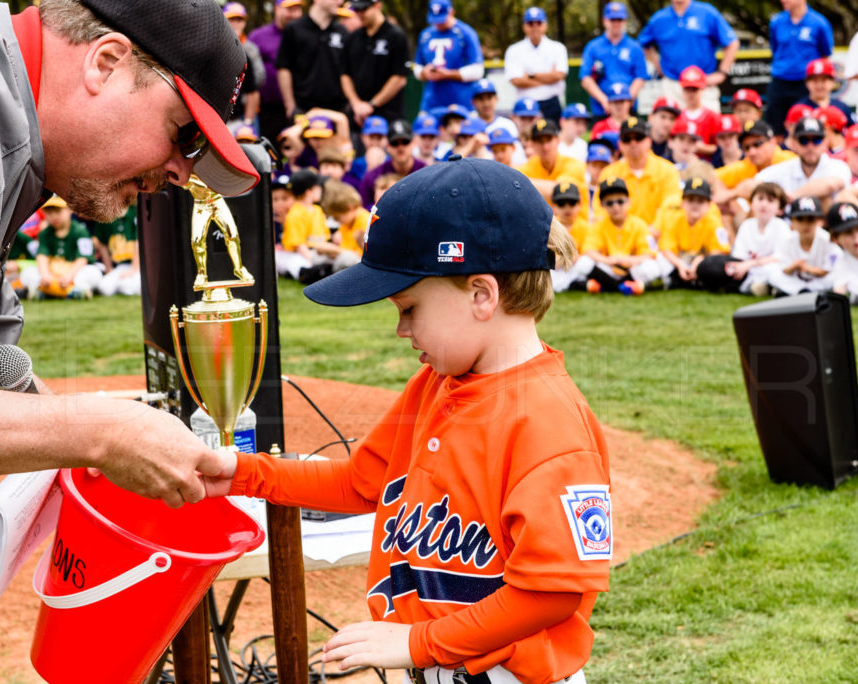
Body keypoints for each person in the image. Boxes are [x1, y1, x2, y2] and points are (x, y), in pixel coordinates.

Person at [0, 0, 259, 502]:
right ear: (105, 63)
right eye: (182, 134)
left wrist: (93, 445)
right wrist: (100, 433)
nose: (180, 173)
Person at [207, 158, 610, 684]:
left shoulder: (548, 421)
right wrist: (237, 471)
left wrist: (418, 642)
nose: (401, 329)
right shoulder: (436, 385)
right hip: (442, 666)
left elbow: (552, 594)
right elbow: (360, 483)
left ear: (481, 295)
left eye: (409, 308)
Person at [638, 0, 739, 112]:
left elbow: (732, 43)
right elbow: (643, 44)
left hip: (703, 85)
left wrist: (722, 72)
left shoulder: (706, 12)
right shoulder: (659, 18)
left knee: (708, 125)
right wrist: (658, 65)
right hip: (673, 84)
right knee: (672, 127)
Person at [701, 182, 791, 295]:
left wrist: (750, 264)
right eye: (760, 199)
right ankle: (759, 286)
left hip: (768, 267)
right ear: (752, 204)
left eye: (770, 201)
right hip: (747, 269)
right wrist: (740, 266)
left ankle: (766, 286)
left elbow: (780, 257)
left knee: (776, 271)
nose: (764, 204)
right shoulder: (747, 225)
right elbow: (739, 256)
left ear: (780, 209)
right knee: (715, 266)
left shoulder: (781, 226)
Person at [764, 0, 833, 138]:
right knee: (775, 128)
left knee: (806, 127)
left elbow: (825, 54)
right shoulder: (776, 22)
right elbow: (775, 48)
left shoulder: (819, 22)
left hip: (805, 84)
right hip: (780, 81)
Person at [598, 117, 683, 229]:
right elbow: (600, 210)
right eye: (627, 139)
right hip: (617, 238)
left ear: (649, 141)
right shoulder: (608, 173)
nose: (633, 143)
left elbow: (672, 207)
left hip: (657, 238)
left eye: (638, 138)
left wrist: (651, 232)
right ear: (620, 145)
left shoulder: (667, 170)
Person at [582, 178, 659, 293]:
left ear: (628, 202)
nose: (615, 206)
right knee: (584, 262)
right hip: (608, 268)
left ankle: (608, 286)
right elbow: (588, 251)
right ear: (602, 205)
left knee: (652, 267)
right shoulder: (598, 225)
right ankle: (627, 286)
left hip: (631, 269)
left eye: (620, 201)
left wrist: (631, 260)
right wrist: (608, 260)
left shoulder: (639, 224)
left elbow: (649, 254)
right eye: (609, 203)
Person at [340, 0, 410, 127]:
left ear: (378, 5)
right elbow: (345, 75)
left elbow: (399, 78)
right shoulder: (352, 38)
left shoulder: (396, 36)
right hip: (357, 115)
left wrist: (372, 104)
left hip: (388, 114)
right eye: (357, 10)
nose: (360, 14)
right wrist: (356, 104)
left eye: (364, 9)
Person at [754, 117, 851, 206]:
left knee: (826, 198)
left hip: (828, 223)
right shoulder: (786, 167)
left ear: (825, 142)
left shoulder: (838, 166)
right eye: (803, 140)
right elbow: (753, 184)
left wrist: (790, 197)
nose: (810, 146)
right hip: (791, 223)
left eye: (816, 140)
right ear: (793, 144)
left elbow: (830, 185)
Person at [653, 177, 730, 288]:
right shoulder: (674, 219)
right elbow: (666, 249)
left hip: (702, 265)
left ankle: (686, 281)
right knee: (660, 259)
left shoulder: (713, 222)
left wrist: (699, 260)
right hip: (679, 263)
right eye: (691, 200)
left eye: (700, 201)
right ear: (682, 203)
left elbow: (720, 251)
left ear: (708, 205)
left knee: (716, 265)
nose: (695, 205)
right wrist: (680, 265)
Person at [277, 0, 348, 118]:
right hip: (303, 109)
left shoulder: (342, 31)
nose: (340, 1)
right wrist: (290, 105)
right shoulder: (294, 29)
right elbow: (284, 68)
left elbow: (347, 72)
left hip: (337, 110)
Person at [579, 2, 648, 118]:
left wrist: (625, 102)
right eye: (612, 20)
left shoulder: (634, 47)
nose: (616, 23)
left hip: (628, 108)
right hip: (601, 108)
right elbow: (586, 78)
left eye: (619, 20)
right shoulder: (593, 47)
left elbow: (640, 77)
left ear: (625, 21)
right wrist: (604, 100)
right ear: (605, 21)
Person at [248, 0, 304, 143]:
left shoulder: (305, 35)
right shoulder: (258, 37)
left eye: (297, 9)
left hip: (301, 107)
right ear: (277, 9)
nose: (294, 14)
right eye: (289, 9)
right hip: (268, 110)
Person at [413, 0, 484, 112]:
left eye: (441, 19)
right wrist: (424, 72)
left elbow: (478, 70)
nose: (438, 23)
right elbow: (417, 66)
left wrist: (448, 74)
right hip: (431, 103)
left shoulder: (465, 33)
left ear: (451, 12)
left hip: (461, 104)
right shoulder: (425, 35)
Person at [504, 6, 569, 123]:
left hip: (551, 104)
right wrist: (549, 78)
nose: (535, 27)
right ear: (524, 26)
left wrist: (530, 75)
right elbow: (516, 81)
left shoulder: (557, 48)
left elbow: (559, 75)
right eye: (530, 23)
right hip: (524, 105)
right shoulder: (513, 50)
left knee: (552, 138)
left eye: (538, 23)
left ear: (545, 25)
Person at [767, 196, 840, 295]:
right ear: (792, 221)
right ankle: (800, 291)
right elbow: (782, 268)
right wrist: (793, 266)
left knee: (834, 278)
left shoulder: (827, 240)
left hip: (819, 280)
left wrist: (808, 269)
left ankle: (795, 292)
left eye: (810, 219)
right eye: (800, 219)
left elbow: (830, 269)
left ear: (820, 221)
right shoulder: (787, 239)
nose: (805, 224)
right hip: (795, 279)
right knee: (772, 273)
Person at [519, 119, 590, 219]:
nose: (545, 147)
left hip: (576, 229)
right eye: (540, 141)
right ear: (532, 144)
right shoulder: (528, 167)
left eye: (549, 140)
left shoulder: (575, 165)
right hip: (543, 229)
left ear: (558, 140)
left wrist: (523, 183)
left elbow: (561, 191)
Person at [360, 119, 427, 208]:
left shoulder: (426, 172)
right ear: (387, 146)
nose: (400, 147)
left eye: (405, 141)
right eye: (394, 143)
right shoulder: (373, 176)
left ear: (413, 143)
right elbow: (363, 209)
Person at [223, 2, 262, 134]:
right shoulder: (213, 47)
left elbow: (256, 83)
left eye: (239, 19)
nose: (236, 23)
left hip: (241, 112)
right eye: (232, 19)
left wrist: (248, 121)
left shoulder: (250, 50)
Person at [549, 182, 593, 292]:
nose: (567, 208)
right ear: (553, 206)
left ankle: (570, 284)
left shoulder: (586, 227)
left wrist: (570, 258)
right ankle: (574, 285)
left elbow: (587, 253)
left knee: (586, 263)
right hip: (556, 267)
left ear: (579, 204)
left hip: (575, 266)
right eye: (561, 204)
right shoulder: (549, 226)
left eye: (572, 203)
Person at [90, 205, 141, 297]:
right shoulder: (104, 215)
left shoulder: (135, 212)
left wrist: (134, 268)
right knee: (104, 288)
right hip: (119, 267)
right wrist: (109, 268)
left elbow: (139, 241)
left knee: (127, 288)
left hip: (138, 266)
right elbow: (102, 243)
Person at [796, 58, 858, 130]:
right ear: (806, 82)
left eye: (824, 80)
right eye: (814, 80)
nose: (819, 85)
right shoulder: (798, 108)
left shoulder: (842, 107)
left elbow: (854, 131)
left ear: (833, 82)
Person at [678, 66, 720, 158]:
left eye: (694, 89)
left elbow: (719, 148)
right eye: (687, 89)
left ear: (703, 89)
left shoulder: (713, 116)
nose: (690, 94)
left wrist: (700, 148)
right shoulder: (677, 116)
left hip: (706, 165)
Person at [320, 180, 369, 256]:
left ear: (350, 208)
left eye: (337, 217)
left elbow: (359, 256)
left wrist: (336, 250)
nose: (336, 221)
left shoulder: (365, 222)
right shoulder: (347, 222)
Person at [826, 201, 858, 302]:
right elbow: (839, 291)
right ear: (834, 237)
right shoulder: (841, 264)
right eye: (848, 232)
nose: (856, 237)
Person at [649, 96, 681, 162]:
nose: (667, 123)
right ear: (651, 117)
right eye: (663, 117)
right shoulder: (639, 139)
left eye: (672, 119)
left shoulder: (679, 146)